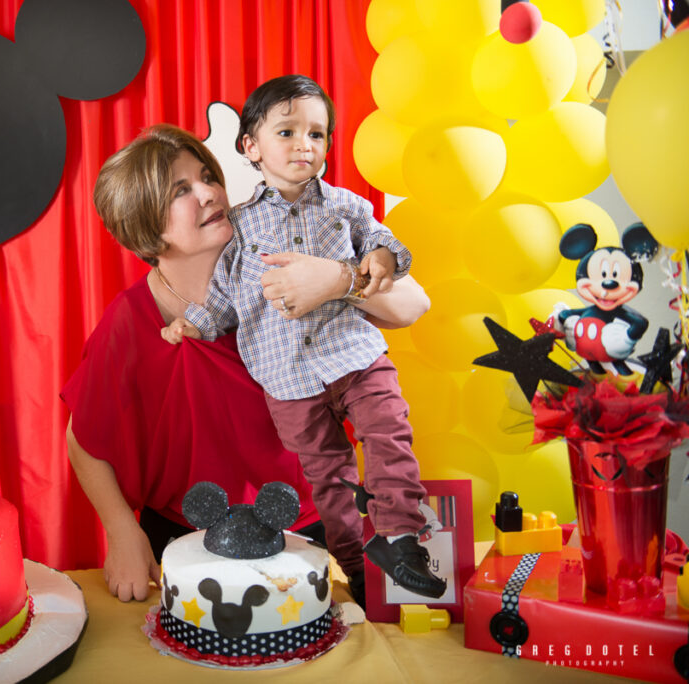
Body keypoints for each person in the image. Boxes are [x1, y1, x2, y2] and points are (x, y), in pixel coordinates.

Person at [61, 123, 430, 603]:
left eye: (207, 177)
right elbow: (82, 437)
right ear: (145, 229)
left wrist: (338, 279)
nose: (210, 194)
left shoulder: (279, 262)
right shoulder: (130, 319)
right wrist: (122, 533)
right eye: (181, 190)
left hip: (307, 521)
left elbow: (413, 304)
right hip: (186, 534)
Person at [166, 75, 446, 598]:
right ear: (251, 146)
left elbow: (387, 245)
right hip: (286, 377)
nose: (304, 145)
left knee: (389, 434)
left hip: (354, 354)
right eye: (288, 132)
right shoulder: (242, 227)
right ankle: (356, 570)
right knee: (331, 477)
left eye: (317, 135)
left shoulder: (347, 208)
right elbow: (224, 298)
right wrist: (193, 323)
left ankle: (401, 535)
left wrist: (383, 258)